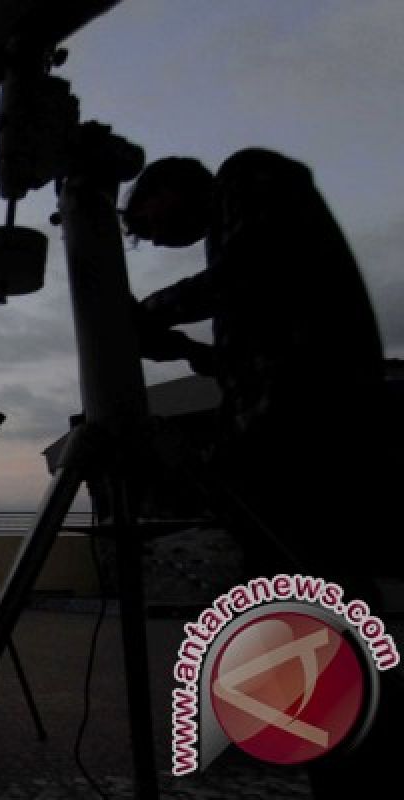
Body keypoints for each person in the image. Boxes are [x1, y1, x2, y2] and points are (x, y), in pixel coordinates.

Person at [122, 149, 400, 797]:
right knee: (314, 604)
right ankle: (345, 751)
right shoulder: (239, 230)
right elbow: (265, 337)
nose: (153, 237)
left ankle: (363, 752)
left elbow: (251, 276)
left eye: (145, 219)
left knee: (321, 601)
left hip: (308, 440)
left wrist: (145, 312)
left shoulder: (250, 175)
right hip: (298, 437)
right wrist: (192, 351)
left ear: (169, 185)